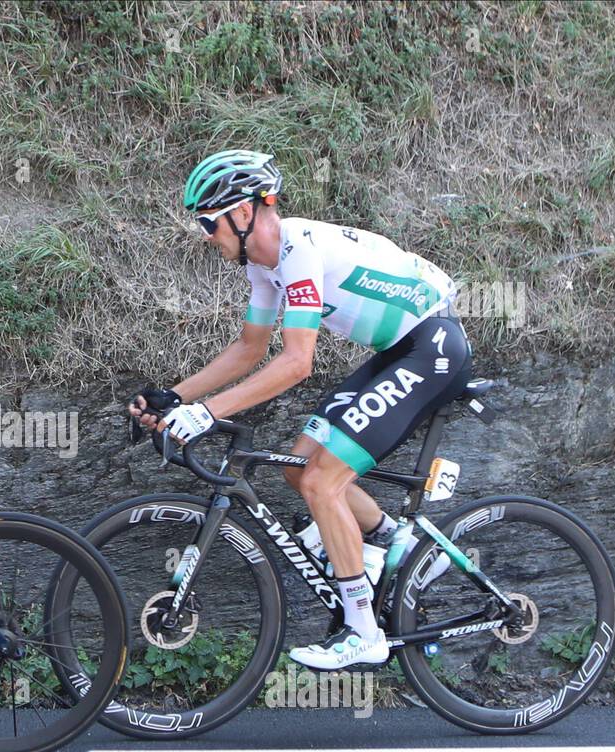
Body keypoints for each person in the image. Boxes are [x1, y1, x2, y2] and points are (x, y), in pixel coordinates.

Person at [129, 149, 472, 671]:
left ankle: (363, 632)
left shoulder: (299, 251)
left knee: (320, 483)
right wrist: (177, 397)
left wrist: (207, 414)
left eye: (208, 221)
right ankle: (392, 541)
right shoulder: (266, 268)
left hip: (433, 348)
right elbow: (248, 350)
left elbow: (295, 364)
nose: (204, 234)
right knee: (299, 468)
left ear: (243, 214)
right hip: (399, 351)